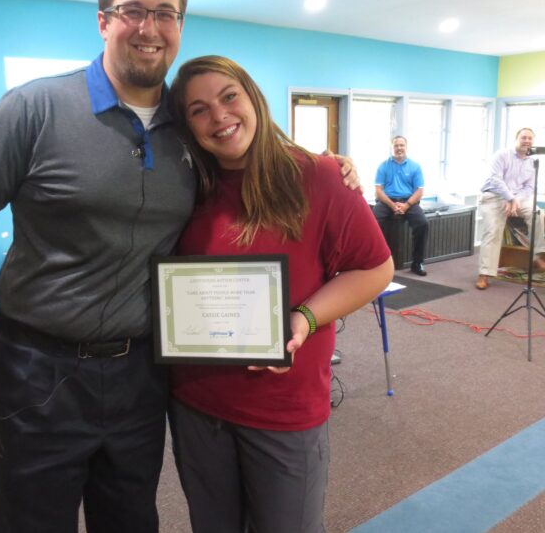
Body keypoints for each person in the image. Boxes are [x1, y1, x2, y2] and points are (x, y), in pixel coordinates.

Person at [0, 0, 361, 532]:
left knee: (129, 520)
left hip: (141, 374)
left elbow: (242, 139)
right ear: (104, 21)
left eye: (165, 13)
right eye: (132, 11)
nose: (149, 28)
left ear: (179, 26)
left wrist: (325, 162)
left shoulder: (187, 124)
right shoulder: (34, 107)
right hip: (36, 371)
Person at [166, 55, 394, 533]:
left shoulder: (319, 176)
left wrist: (304, 319)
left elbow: (375, 269)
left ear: (253, 97)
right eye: (199, 110)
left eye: (229, 97)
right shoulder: (187, 185)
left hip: (282, 407)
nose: (220, 116)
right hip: (195, 402)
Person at [476, 127, 545, 290]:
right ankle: (484, 274)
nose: (527, 141)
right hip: (494, 196)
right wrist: (510, 198)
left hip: (518, 198)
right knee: (492, 230)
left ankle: (539, 255)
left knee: (538, 214)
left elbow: (529, 187)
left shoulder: (533, 161)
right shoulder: (502, 155)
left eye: (530, 139)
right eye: (523, 138)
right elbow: (495, 180)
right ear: (516, 138)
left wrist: (515, 200)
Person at [373, 135, 429, 276]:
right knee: (372, 223)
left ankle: (417, 263)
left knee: (423, 224)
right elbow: (379, 191)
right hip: (387, 201)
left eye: (401, 145)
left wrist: (406, 205)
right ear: (392, 148)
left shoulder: (415, 166)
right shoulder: (383, 166)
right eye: (396, 145)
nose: (399, 148)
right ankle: (375, 262)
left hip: (409, 201)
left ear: (406, 147)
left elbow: (419, 191)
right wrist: (392, 206)